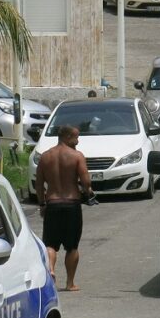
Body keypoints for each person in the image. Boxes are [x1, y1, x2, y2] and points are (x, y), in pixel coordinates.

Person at [34, 125, 94, 292]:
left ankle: (51, 270)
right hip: (71, 204)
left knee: (50, 244)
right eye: (75, 137)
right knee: (72, 246)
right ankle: (70, 283)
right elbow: (86, 181)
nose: (78, 140)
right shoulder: (77, 156)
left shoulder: (45, 157)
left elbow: (39, 184)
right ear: (67, 137)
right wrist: (87, 190)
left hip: (52, 204)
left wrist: (42, 204)